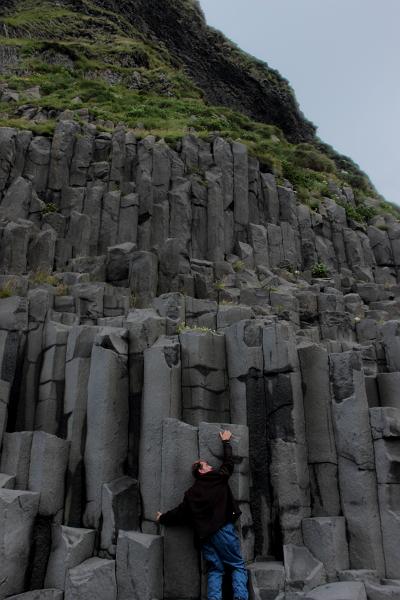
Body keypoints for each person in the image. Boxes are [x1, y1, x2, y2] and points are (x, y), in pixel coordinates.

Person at [156, 429, 248, 600]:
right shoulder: (216, 478)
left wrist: (162, 517)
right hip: (222, 531)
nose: (210, 465)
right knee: (237, 565)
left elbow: (179, 513)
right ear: (202, 471)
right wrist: (226, 442)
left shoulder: (191, 494)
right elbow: (228, 465)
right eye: (206, 464)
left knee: (215, 568)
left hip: (204, 538)